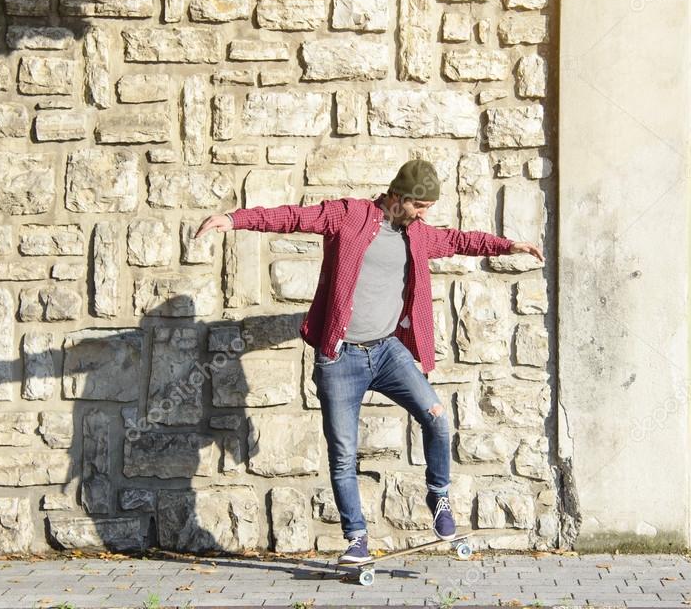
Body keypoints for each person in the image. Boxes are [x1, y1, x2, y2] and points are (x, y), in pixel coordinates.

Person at [196, 159, 543, 565]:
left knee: (435, 415)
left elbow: (461, 242)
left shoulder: (417, 235)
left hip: (387, 351)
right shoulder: (349, 216)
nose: (424, 215)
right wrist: (234, 220)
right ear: (398, 196)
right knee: (343, 454)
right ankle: (356, 538)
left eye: (428, 208)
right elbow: (291, 217)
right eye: (420, 206)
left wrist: (508, 245)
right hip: (340, 358)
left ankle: (439, 496)